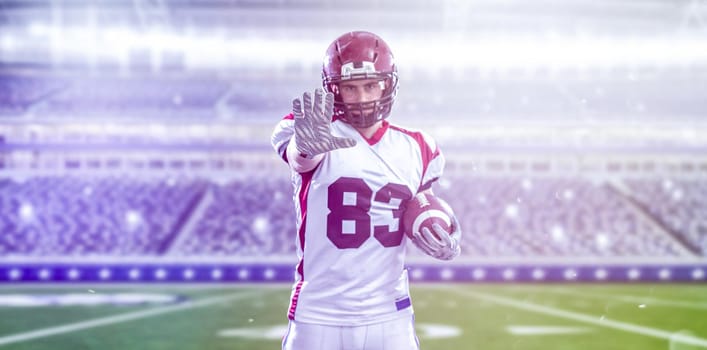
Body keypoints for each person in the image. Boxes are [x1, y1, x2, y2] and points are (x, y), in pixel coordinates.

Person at [271, 30, 462, 350]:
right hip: (319, 314)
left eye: (370, 85)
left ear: (388, 84)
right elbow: (300, 159)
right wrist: (306, 147)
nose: (361, 98)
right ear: (334, 90)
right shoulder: (312, 128)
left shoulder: (419, 147)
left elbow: (423, 207)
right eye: (350, 87)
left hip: (390, 315)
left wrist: (446, 234)